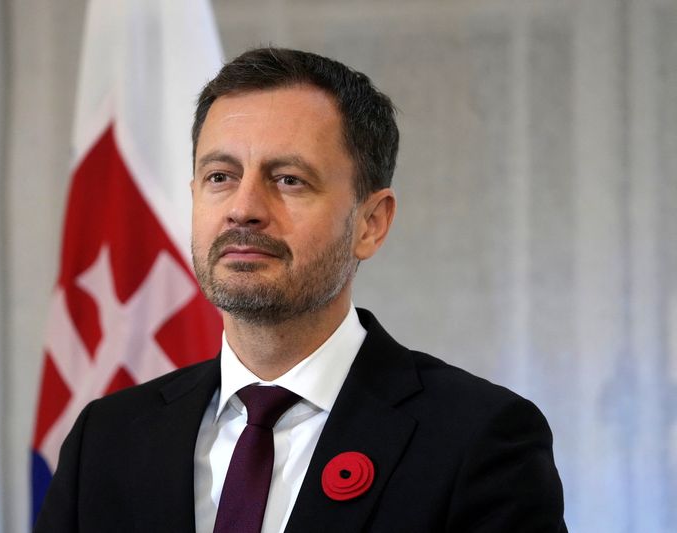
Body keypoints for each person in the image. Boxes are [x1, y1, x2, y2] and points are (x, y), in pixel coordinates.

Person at [34, 47, 566, 532]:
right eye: (220, 176)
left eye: (288, 179)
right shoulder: (107, 438)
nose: (243, 208)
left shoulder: (477, 438)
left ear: (371, 223)